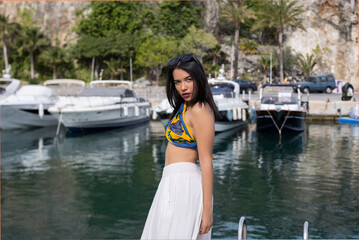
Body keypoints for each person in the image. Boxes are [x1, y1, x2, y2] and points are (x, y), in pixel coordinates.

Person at [141, 53, 220, 239]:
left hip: (184, 185)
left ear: (199, 79)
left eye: (188, 79)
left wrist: (207, 212)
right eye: (177, 82)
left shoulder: (200, 109)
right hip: (170, 183)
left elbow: (206, 162)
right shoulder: (185, 107)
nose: (183, 87)